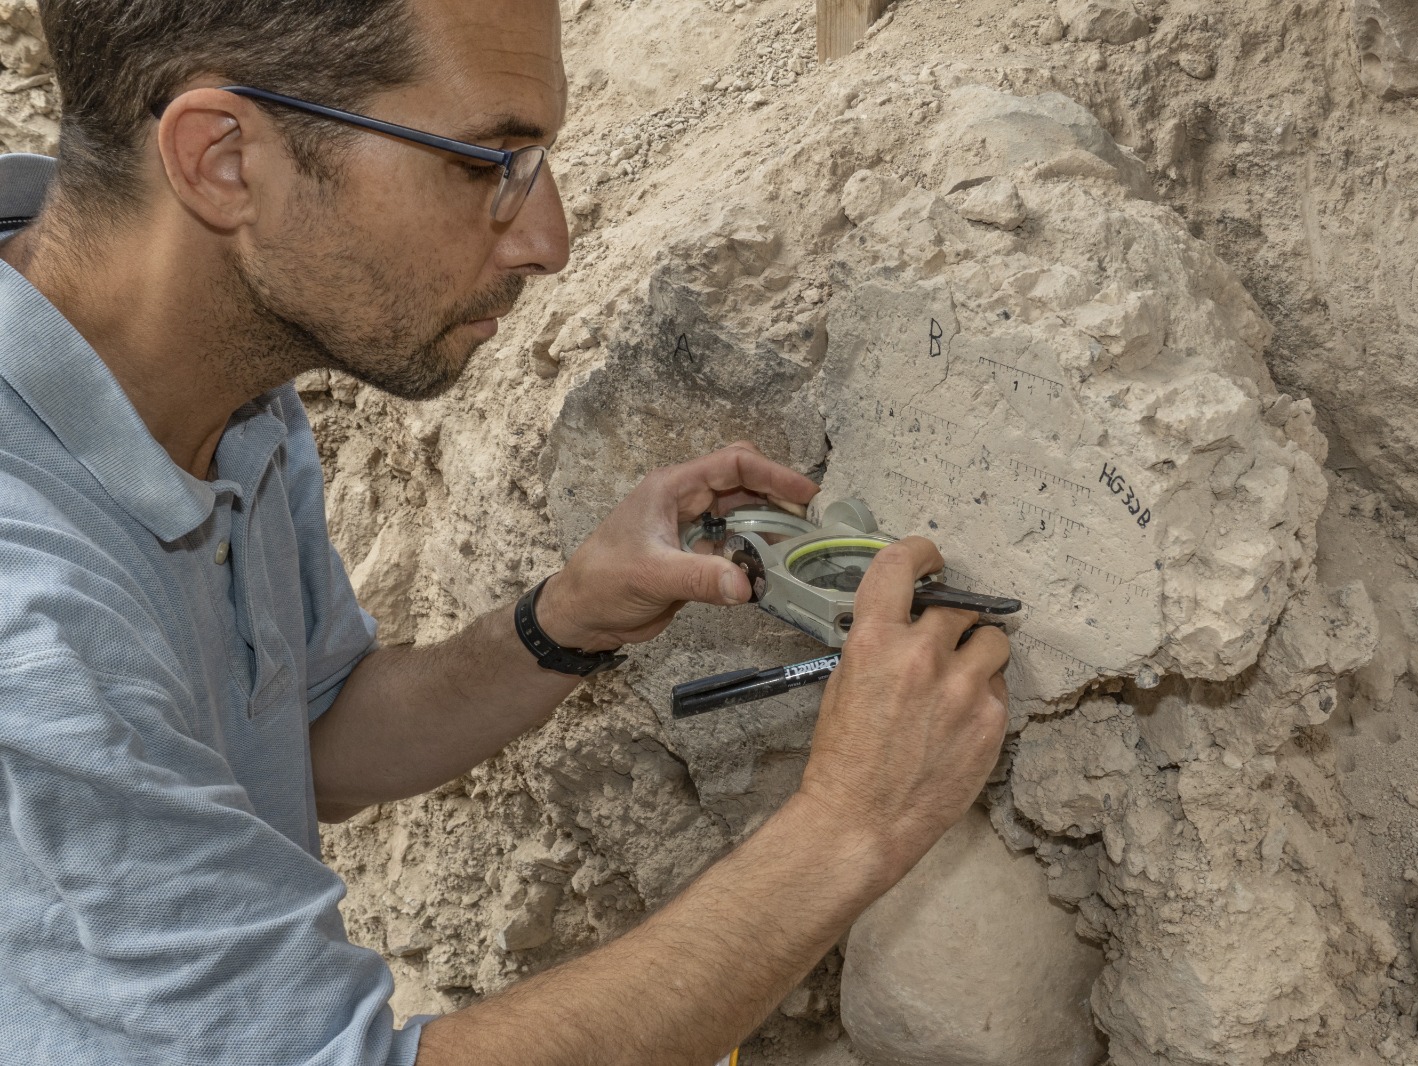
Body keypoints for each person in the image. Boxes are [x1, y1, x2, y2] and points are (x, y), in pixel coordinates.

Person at [0, 0, 1011, 1063]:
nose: (549, 240)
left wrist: (566, 619)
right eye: (491, 162)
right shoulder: (37, 628)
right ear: (224, 159)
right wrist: (849, 828)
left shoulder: (216, 373)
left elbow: (309, 745)